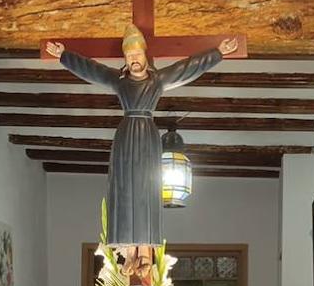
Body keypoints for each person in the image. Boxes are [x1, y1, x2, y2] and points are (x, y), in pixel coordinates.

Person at [45, 27, 238, 246]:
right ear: (126, 60)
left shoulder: (158, 80)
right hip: (126, 135)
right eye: (129, 56)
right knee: (124, 183)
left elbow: (187, 68)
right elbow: (92, 70)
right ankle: (124, 238)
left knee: (148, 183)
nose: (134, 60)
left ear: (145, 56)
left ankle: (146, 238)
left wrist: (217, 53)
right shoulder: (119, 81)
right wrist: (64, 56)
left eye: (137, 55)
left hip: (147, 134)